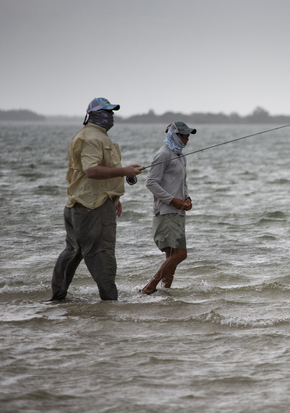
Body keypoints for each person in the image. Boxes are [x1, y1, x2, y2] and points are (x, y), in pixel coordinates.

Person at [50, 97, 142, 301]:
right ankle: (110, 303)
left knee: (72, 251)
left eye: (112, 112)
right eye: (107, 112)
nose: (111, 116)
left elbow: (87, 175)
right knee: (103, 254)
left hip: (77, 204)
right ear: (95, 114)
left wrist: (115, 199)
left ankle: (57, 298)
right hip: (93, 208)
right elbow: (91, 171)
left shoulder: (85, 135)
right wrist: (124, 171)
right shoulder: (93, 138)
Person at [140, 121, 195, 295]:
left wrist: (186, 198)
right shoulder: (163, 154)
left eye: (188, 136)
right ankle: (149, 288)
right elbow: (151, 182)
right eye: (183, 135)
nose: (187, 139)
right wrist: (172, 200)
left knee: (171, 254)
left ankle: (164, 291)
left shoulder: (180, 156)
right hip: (166, 212)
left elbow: (182, 183)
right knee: (180, 254)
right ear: (173, 135)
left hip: (177, 212)